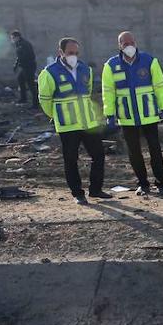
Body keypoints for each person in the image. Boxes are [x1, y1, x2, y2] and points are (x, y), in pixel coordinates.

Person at [38, 37, 110, 205]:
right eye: (70, 53)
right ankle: (78, 193)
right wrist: (56, 116)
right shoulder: (49, 73)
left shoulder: (86, 70)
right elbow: (44, 99)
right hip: (68, 125)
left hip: (88, 123)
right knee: (71, 160)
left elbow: (89, 91)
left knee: (98, 155)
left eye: (76, 53)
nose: (74, 56)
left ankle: (96, 190)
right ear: (61, 52)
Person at [102, 31, 163, 196]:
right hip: (127, 117)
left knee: (155, 149)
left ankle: (161, 183)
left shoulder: (149, 61)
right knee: (134, 152)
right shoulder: (111, 65)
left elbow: (160, 86)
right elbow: (108, 91)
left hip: (149, 114)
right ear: (119, 45)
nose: (129, 46)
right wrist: (109, 114)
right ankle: (143, 184)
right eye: (125, 43)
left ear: (136, 42)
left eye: (131, 42)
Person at [10, 30, 38, 108]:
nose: (12, 40)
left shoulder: (25, 44)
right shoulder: (18, 44)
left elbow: (27, 56)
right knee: (20, 79)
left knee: (31, 84)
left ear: (18, 37)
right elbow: (19, 56)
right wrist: (16, 65)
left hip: (29, 66)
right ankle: (23, 98)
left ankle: (36, 103)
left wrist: (20, 63)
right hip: (24, 66)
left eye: (13, 38)